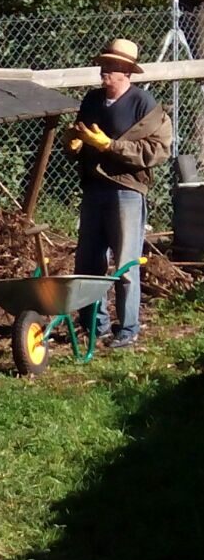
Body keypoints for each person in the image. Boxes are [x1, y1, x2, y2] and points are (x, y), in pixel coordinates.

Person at [64, 38, 173, 348]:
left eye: (110, 67)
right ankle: (93, 325)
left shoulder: (144, 106)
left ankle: (127, 330)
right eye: (103, 66)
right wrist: (72, 143)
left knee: (125, 264)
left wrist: (110, 146)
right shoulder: (91, 101)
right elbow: (78, 134)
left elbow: (157, 150)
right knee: (88, 262)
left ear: (126, 71)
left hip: (127, 191)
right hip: (94, 190)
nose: (104, 72)